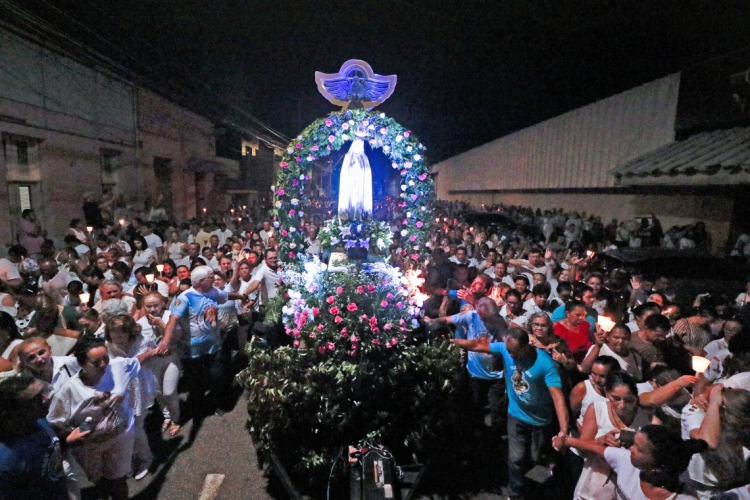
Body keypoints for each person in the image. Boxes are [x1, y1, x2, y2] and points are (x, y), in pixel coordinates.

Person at [452, 327, 569, 500]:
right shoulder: (505, 349)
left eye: (513, 351)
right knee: (516, 458)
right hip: (515, 415)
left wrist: (563, 431)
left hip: (539, 420)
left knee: (535, 457)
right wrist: (450, 342)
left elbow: (557, 398)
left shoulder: (545, 364)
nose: (510, 355)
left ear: (525, 346)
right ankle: (515, 494)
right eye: (508, 351)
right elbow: (476, 346)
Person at [46, 337, 139, 500]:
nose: (103, 364)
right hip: (89, 448)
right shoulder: (69, 390)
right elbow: (54, 421)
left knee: (118, 481)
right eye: (96, 362)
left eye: (105, 358)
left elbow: (137, 362)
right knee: (100, 482)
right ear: (81, 363)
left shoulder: (117, 368)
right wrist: (69, 435)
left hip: (119, 439)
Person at [155, 266, 247, 421]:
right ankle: (198, 409)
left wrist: (241, 296)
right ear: (201, 281)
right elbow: (173, 320)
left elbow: (227, 295)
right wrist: (165, 342)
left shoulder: (213, 291)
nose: (214, 279)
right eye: (211, 277)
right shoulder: (184, 298)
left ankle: (219, 403)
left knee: (217, 376)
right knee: (196, 382)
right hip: (192, 350)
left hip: (214, 345)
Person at [553, 424, 703, 500]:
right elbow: (597, 448)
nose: (631, 448)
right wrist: (565, 440)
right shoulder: (627, 461)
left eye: (638, 448)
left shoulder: (685, 497)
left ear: (658, 466)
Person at [573, 371, 653, 500]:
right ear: (606, 394)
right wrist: (602, 440)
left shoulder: (645, 416)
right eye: (615, 399)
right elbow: (583, 449)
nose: (622, 405)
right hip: (595, 483)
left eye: (629, 400)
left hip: (628, 484)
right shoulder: (597, 410)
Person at [103, 314, 159, 480]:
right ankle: (133, 455)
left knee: (135, 426)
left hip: (139, 387)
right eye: (113, 332)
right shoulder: (108, 345)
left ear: (130, 332)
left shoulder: (144, 341)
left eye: (121, 332)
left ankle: (146, 458)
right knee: (126, 427)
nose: (117, 336)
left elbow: (151, 356)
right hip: (119, 389)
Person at [0, 375, 71, 500]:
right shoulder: (7, 461)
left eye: (43, 392)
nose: (46, 398)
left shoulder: (40, 421)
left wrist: (67, 441)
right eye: (37, 398)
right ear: (18, 409)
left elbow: (49, 450)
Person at [682, 385, 750, 499]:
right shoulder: (695, 410)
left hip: (738, 481)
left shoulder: (742, 418)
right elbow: (707, 442)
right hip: (704, 488)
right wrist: (714, 403)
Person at [136, 293, 181, 436]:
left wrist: (161, 324)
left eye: (155, 305)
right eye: (148, 306)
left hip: (170, 357)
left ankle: (176, 419)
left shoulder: (170, 316)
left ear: (162, 304)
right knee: (158, 392)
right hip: (153, 360)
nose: (152, 309)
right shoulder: (141, 323)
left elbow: (178, 338)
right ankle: (166, 416)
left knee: (169, 391)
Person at [569, 355, 621, 429]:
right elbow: (570, 417)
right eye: (594, 373)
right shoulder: (582, 388)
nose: (597, 379)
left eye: (602, 376)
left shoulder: (621, 391)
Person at [553, 300, 593, 364]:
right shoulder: (558, 328)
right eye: (578, 315)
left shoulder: (585, 325)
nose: (581, 318)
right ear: (568, 313)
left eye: (584, 315)